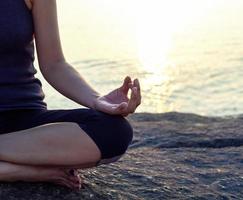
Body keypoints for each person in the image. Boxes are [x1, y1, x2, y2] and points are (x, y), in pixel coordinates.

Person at [0, 0, 141, 190]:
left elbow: (54, 64)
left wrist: (96, 100)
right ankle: (19, 170)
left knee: (114, 131)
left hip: (25, 123)